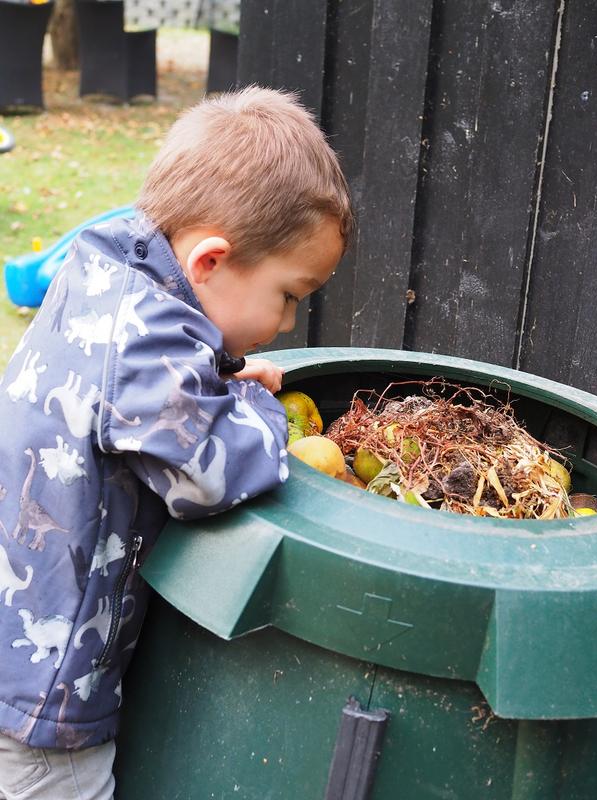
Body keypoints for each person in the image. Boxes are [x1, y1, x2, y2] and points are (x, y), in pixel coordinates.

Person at [0, 86, 352, 798]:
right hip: (48, 694)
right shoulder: (144, 349)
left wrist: (216, 368)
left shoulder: (103, 269)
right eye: (289, 294)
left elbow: (143, 370)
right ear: (210, 262)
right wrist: (255, 403)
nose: (286, 324)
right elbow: (212, 474)